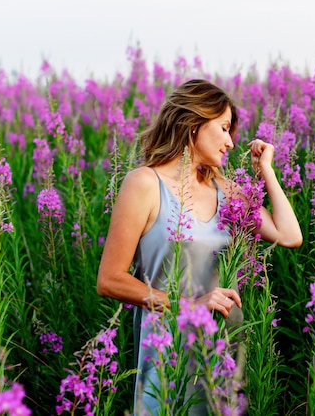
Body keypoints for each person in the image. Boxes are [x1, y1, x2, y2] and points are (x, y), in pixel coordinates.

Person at [96, 79, 302, 415]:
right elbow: (109, 279)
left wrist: (266, 172)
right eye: (223, 128)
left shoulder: (225, 189)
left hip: (223, 340)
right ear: (194, 124)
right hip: (170, 348)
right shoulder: (145, 184)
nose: (231, 143)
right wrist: (187, 306)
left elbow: (289, 235)